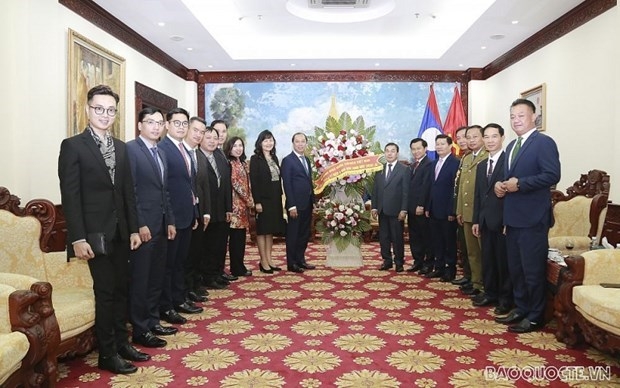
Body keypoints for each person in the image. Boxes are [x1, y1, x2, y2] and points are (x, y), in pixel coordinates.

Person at [58, 84, 146, 374]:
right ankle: (107, 354)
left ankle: (122, 343)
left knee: (123, 289)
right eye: (99, 109)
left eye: (110, 110)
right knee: (105, 293)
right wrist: (78, 238)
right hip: (94, 235)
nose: (105, 115)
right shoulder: (72, 146)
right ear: (88, 109)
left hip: (121, 233)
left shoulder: (121, 147)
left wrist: (133, 229)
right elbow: (70, 196)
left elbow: (126, 193)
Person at [494, 98, 560, 333]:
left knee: (532, 270)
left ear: (534, 117)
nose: (516, 120)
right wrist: (500, 186)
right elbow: (508, 179)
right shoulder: (511, 146)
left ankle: (535, 316)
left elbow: (552, 175)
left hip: (533, 218)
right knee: (517, 269)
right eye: (512, 116)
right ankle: (521, 308)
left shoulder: (543, 142)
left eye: (521, 115)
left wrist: (519, 184)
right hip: (512, 218)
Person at [126, 107, 178, 349]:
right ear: (140, 125)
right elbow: (131, 192)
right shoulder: (131, 150)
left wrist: (170, 221)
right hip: (144, 227)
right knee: (142, 278)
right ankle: (140, 328)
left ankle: (153, 320)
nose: (156, 127)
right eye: (150, 122)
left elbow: (164, 191)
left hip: (161, 223)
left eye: (159, 123)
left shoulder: (161, 152)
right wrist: (140, 224)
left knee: (157, 275)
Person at [157, 108, 202, 324]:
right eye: (177, 123)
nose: (181, 127)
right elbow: (164, 188)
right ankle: (167, 306)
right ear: (167, 125)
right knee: (169, 264)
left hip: (186, 216)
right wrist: (170, 219)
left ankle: (179, 298)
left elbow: (189, 186)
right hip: (171, 219)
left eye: (184, 123)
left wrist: (194, 213)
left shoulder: (184, 149)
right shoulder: (163, 149)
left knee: (180, 262)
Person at [472, 123, 512, 315]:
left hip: (503, 221)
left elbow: (512, 196)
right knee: (488, 258)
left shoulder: (509, 162)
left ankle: (505, 299)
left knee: (502, 261)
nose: (490, 140)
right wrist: (477, 220)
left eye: (493, 136)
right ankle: (490, 293)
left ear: (502, 138)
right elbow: (479, 195)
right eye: (486, 137)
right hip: (486, 219)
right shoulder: (481, 166)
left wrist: (507, 220)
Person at [455, 125, 487, 296]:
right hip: (466, 213)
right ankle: (476, 283)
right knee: (472, 252)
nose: (471, 140)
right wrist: (459, 210)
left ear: (483, 138)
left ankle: (486, 286)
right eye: (469, 137)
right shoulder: (466, 159)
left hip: (480, 214)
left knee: (483, 252)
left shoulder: (487, 156)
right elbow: (462, 188)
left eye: (475, 137)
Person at [199, 126, 234, 287]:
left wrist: (228, 208)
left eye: (215, 137)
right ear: (201, 139)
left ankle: (218, 272)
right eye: (208, 137)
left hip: (222, 210)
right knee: (208, 246)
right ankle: (208, 277)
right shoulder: (197, 157)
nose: (212, 141)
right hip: (207, 210)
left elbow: (226, 184)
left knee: (220, 244)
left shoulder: (220, 156)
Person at [425, 134, 460, 281]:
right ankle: (438, 268)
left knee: (449, 242)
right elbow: (430, 188)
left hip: (447, 211)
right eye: (437, 144)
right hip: (433, 210)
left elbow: (455, 189)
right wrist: (428, 206)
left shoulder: (455, 163)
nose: (439, 147)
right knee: (436, 241)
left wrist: (452, 210)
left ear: (450, 146)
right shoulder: (433, 164)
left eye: (442, 144)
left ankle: (450, 270)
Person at [249, 130, 284, 273]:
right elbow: (254, 182)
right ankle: (263, 261)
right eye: (265, 140)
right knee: (262, 231)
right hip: (263, 201)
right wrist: (257, 202)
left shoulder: (274, 158)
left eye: (271, 140)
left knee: (270, 231)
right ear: (260, 142)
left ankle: (270, 259)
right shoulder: (255, 159)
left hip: (275, 200)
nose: (269, 143)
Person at [183, 117, 210, 302]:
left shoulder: (198, 154)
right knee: (185, 255)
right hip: (184, 213)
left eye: (202, 132)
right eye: (196, 130)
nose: (199, 134)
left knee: (195, 252)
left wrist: (206, 211)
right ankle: (185, 290)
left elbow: (204, 185)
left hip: (198, 212)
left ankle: (192, 286)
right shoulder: (180, 152)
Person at [281, 132, 316, 273]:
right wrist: (291, 205)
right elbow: (287, 184)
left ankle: (301, 260)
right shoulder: (288, 160)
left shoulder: (306, 160)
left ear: (306, 143)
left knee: (304, 234)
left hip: (307, 203)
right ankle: (292, 263)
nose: (300, 144)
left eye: (303, 141)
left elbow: (308, 182)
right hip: (295, 205)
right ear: (293, 143)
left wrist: (313, 201)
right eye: (297, 141)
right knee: (293, 234)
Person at [371, 143, 409, 272]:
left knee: (397, 238)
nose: (390, 153)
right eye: (387, 151)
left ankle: (399, 262)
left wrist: (404, 209)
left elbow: (406, 192)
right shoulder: (379, 170)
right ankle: (386, 261)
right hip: (382, 210)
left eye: (392, 151)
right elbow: (375, 190)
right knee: (384, 237)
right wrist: (374, 207)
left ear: (397, 153)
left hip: (396, 211)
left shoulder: (404, 169)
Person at [224, 136, 254, 277]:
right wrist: (248, 199)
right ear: (229, 148)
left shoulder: (241, 162)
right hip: (235, 207)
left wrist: (249, 199)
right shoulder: (230, 163)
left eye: (240, 145)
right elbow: (235, 183)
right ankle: (236, 268)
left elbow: (247, 184)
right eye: (235, 146)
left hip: (243, 208)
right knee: (235, 240)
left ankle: (240, 266)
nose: (238, 148)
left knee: (241, 239)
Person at [406, 138, 433, 274]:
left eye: (418, 148)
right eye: (413, 149)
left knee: (426, 236)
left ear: (425, 149)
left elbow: (426, 187)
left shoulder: (429, 164)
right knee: (414, 236)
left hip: (420, 208)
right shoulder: (412, 166)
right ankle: (418, 261)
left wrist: (421, 205)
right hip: (411, 207)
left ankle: (428, 264)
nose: (416, 151)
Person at [452, 126, 471, 286]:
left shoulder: (479, 158)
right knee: (465, 247)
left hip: (473, 213)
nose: (462, 141)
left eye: (465, 137)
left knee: (473, 250)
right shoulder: (465, 158)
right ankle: (469, 276)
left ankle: (476, 280)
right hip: (462, 211)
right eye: (458, 138)